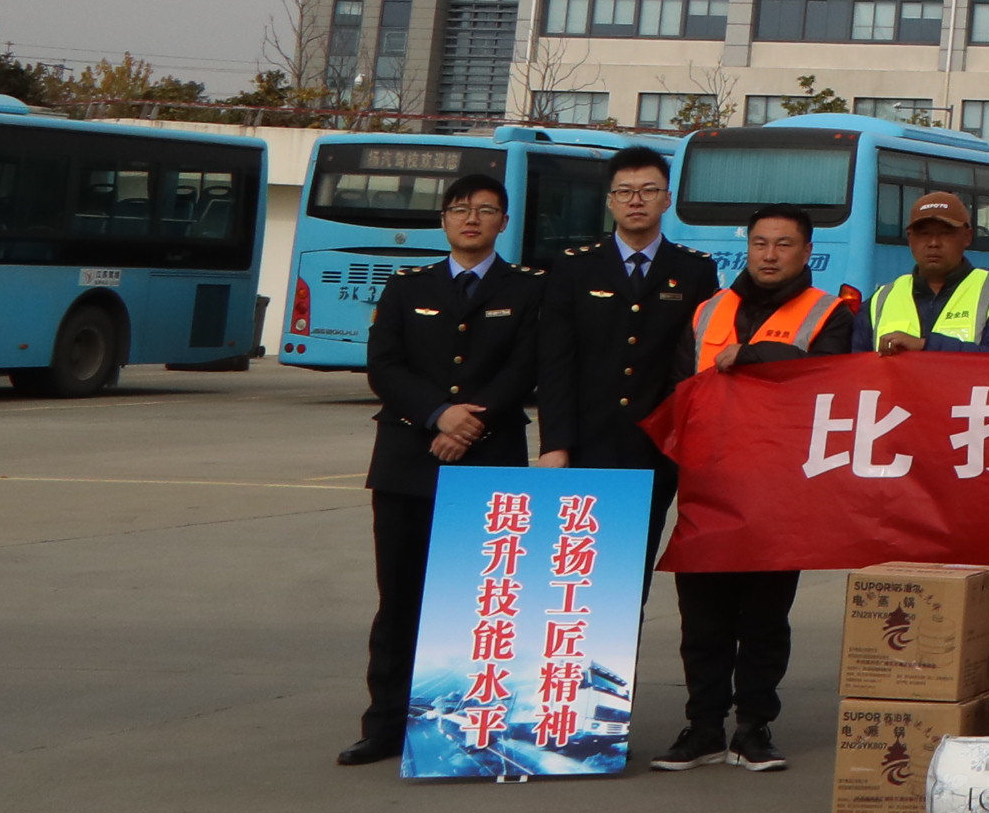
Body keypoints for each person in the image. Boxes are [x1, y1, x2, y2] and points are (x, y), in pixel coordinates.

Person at [658, 207, 866, 770]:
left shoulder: (828, 313)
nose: (769, 255)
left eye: (783, 244)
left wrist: (752, 355)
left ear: (807, 252)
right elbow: (680, 388)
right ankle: (703, 726)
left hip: (779, 490)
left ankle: (753, 727)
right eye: (760, 243)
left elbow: (828, 378)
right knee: (702, 618)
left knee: (764, 617)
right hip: (709, 485)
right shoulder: (709, 311)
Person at [341, 169, 536, 766]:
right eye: (459, 209)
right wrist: (439, 415)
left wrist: (473, 423)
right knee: (399, 598)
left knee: (482, 602)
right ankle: (386, 723)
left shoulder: (529, 289)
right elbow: (384, 366)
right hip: (408, 463)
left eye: (485, 209)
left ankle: (477, 724)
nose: (471, 219)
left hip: (490, 460)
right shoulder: (407, 287)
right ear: (443, 220)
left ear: (504, 221)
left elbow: (527, 366)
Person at [532, 145, 719, 554]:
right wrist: (554, 443)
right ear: (610, 201)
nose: (636, 201)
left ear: (667, 199)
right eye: (625, 191)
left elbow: (697, 361)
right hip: (585, 442)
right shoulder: (575, 266)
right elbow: (556, 361)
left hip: (656, 444)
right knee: (576, 555)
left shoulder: (695, 269)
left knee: (634, 558)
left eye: (649, 190)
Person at [867, 187, 989, 353]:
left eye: (945, 233)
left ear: (967, 237)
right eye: (924, 234)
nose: (934, 243)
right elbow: (859, 363)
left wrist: (925, 346)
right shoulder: (880, 299)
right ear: (910, 238)